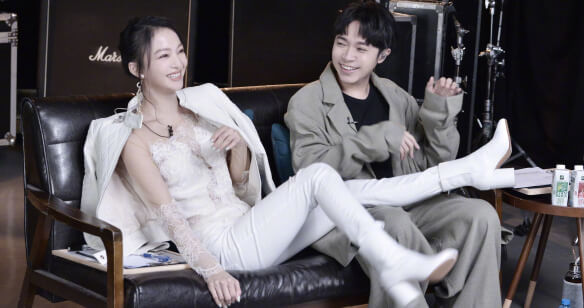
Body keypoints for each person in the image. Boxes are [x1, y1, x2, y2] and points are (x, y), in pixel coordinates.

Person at [80, 16, 514, 308]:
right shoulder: (132, 139)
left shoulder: (202, 108)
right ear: (137, 68)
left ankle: (461, 177)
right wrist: (212, 272)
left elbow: (240, 184)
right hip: (222, 247)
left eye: (179, 51)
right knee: (319, 176)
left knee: (349, 191)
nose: (178, 63)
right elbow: (171, 219)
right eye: (164, 56)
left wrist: (238, 149)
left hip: (252, 226)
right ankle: (458, 182)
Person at [285, 1, 513, 307]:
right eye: (341, 43)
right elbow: (310, 172)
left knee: (481, 216)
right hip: (351, 214)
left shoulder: (394, 96)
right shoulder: (307, 102)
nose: (347, 56)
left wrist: (438, 115)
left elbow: (432, 164)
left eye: (361, 48)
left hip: (410, 204)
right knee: (394, 223)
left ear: (382, 56)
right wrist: (373, 140)